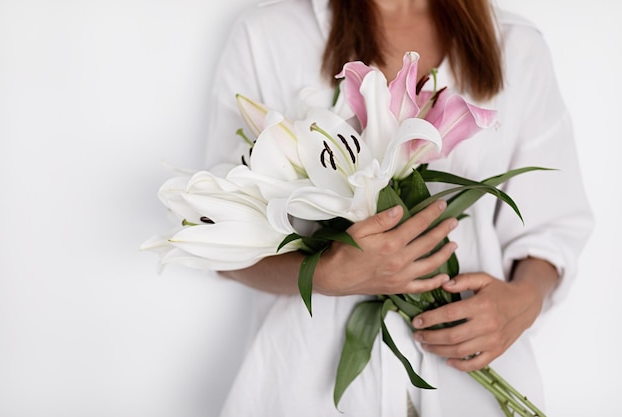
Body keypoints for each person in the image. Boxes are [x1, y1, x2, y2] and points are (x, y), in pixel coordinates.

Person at [201, 0, 594, 416]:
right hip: (307, 389)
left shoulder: (516, 44)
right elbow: (218, 235)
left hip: (474, 388)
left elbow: (553, 227)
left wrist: (523, 300)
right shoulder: (269, 35)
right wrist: (324, 275)